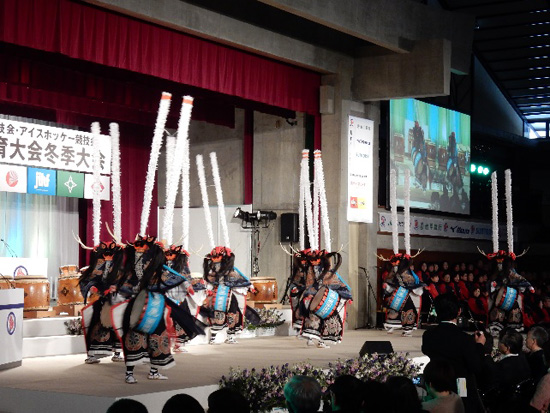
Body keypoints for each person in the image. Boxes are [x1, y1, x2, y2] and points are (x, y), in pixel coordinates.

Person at [421, 293, 486, 413]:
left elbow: (426, 350)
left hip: (437, 385)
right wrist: (480, 345)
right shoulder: (464, 339)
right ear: (459, 311)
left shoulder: (428, 335)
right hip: (460, 386)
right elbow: (476, 366)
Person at [79, 241, 125, 364]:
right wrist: (92, 288)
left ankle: (117, 353)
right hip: (100, 300)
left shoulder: (119, 268)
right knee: (96, 325)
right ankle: (92, 354)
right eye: (105, 254)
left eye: (110, 254)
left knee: (117, 325)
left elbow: (124, 282)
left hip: (114, 300)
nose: (108, 256)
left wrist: (117, 288)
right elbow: (87, 280)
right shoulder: (96, 267)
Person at [299, 249, 352, 347]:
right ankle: (311, 338)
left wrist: (346, 295)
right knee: (312, 317)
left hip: (326, 298)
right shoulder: (310, 269)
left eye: (315, 260)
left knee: (328, 318)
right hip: (315, 297)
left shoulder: (328, 271)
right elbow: (309, 284)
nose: (313, 262)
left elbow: (336, 284)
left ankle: (321, 341)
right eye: (311, 260)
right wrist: (309, 294)